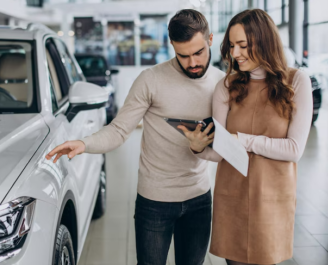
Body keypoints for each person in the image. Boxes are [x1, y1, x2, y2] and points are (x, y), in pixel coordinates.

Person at [46, 9, 225, 265]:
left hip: (199, 198)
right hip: (155, 201)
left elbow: (229, 141)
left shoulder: (222, 83)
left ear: (209, 41)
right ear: (172, 45)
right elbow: (119, 130)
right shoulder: (150, 80)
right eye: (183, 55)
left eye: (198, 53)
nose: (192, 62)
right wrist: (85, 143)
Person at [179, 9, 312, 265]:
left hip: (272, 197)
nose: (235, 54)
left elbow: (294, 149)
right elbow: (220, 150)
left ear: (265, 41)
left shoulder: (296, 82)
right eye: (231, 45)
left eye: (243, 45)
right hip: (233, 194)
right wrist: (198, 149)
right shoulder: (226, 86)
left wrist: (244, 140)